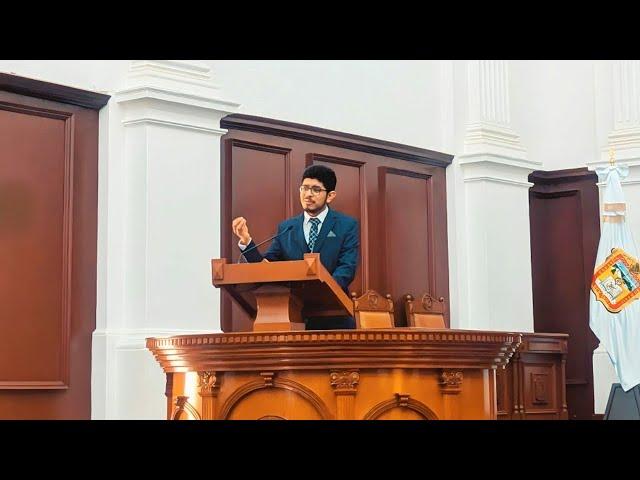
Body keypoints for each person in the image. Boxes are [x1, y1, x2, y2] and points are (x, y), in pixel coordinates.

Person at [232, 165, 359, 329]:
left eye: (316, 189)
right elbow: (266, 267)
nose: (308, 194)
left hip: (334, 317)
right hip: (292, 318)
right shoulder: (287, 227)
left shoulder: (346, 225)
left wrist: (318, 295)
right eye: (304, 188)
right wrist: (246, 241)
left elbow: (346, 269)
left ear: (330, 196)